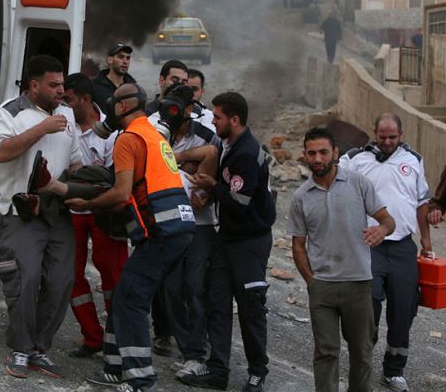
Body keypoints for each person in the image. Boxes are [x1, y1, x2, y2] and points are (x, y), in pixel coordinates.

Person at [70, 83, 196, 392]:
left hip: (162, 232)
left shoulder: (128, 139)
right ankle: (115, 367)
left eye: (112, 104)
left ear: (123, 106)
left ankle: (141, 379)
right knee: (125, 293)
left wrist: (87, 204)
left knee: (132, 300)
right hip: (179, 228)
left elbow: (121, 193)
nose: (109, 110)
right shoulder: (152, 134)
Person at [0, 54, 82, 379]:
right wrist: (41, 129)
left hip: (56, 212)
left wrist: (86, 181)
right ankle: (19, 348)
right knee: (25, 279)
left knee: (61, 281)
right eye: (53, 85)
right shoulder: (10, 111)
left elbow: (75, 160)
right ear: (34, 85)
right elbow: (0, 152)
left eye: (62, 84)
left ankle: (39, 349)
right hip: (21, 212)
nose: (61, 91)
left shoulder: (67, 113)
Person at [179, 91, 275, 392]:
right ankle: (218, 369)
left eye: (218, 117)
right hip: (228, 238)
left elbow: (241, 201)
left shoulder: (246, 152)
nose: (213, 121)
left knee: (250, 308)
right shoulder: (227, 145)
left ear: (234, 119)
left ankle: (257, 373)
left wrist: (213, 186)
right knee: (217, 303)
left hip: (250, 242)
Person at [289, 127, 396, 392]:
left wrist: (382, 230)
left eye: (323, 152)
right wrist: (312, 281)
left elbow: (387, 220)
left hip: (358, 284)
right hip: (322, 287)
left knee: (362, 351)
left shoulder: (358, 183)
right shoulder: (301, 196)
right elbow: (298, 245)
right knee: (326, 352)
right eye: (312, 153)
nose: (318, 158)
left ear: (335, 153)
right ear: (304, 155)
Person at [338, 113, 434, 392]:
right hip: (369, 245)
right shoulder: (355, 159)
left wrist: (426, 242)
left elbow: (422, 202)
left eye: (393, 137)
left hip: (403, 246)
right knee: (368, 303)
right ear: (375, 133)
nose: (388, 141)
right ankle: (363, 362)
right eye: (383, 137)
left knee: (404, 308)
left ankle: (394, 371)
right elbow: (333, 186)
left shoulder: (413, 160)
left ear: (401, 134)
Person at [147, 84, 220, 377]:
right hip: (167, 222)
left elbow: (212, 169)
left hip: (199, 225)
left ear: (190, 108)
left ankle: (196, 354)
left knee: (195, 287)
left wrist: (181, 162)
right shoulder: (156, 131)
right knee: (171, 288)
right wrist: (187, 164)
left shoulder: (206, 135)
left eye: (178, 106)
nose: (171, 112)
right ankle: (188, 347)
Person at [60, 73, 128, 358]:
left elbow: (115, 179)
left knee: (113, 274)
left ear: (85, 100)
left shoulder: (111, 133)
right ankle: (92, 337)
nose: (63, 105)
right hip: (72, 212)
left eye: (68, 99)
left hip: (104, 211)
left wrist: (92, 196)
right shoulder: (63, 128)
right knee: (69, 274)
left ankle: (120, 340)